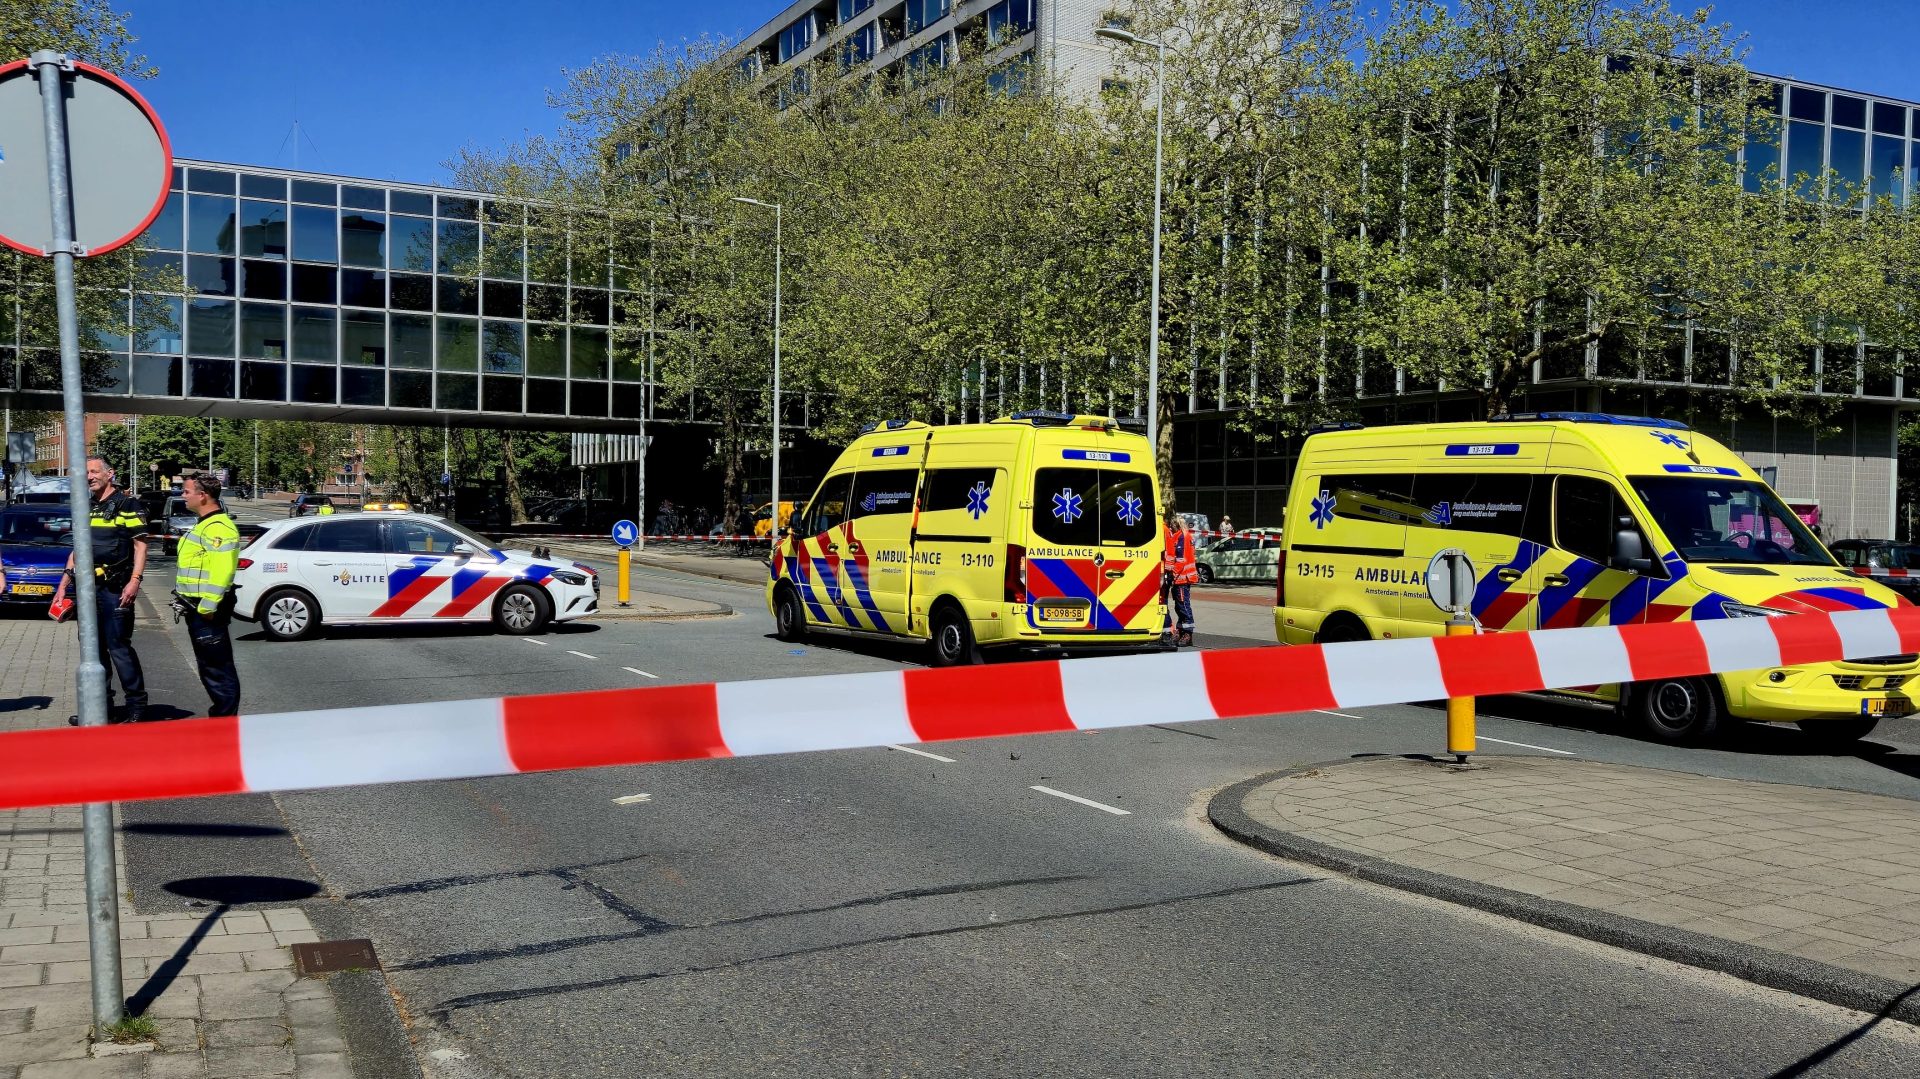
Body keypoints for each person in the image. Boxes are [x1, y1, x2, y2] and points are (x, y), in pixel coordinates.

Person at [52, 457, 148, 724]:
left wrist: (135, 580)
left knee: (118, 646)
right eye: (85, 473)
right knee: (92, 649)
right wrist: (62, 586)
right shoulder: (86, 507)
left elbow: (141, 546)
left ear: (110, 474)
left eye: (95, 471)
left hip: (116, 587)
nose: (89, 476)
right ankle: (100, 707)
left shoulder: (128, 505)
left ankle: (136, 707)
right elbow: (77, 550)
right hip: (87, 588)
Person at [171, 475, 242, 717]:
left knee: (217, 670)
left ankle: (224, 722)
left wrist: (208, 607)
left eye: (187, 491)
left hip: (206, 611)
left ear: (203, 496)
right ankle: (222, 718)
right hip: (197, 608)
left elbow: (223, 572)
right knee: (209, 667)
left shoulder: (218, 528)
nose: (183, 495)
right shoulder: (205, 525)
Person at [1164, 512, 1199, 648]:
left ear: (1176, 524)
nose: (1170, 528)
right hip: (1182, 577)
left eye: (1172, 525)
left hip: (1182, 577)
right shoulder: (1181, 535)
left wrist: (1172, 573)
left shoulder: (1182, 537)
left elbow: (1180, 559)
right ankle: (1181, 630)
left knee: (1183, 606)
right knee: (1180, 606)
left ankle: (1188, 634)